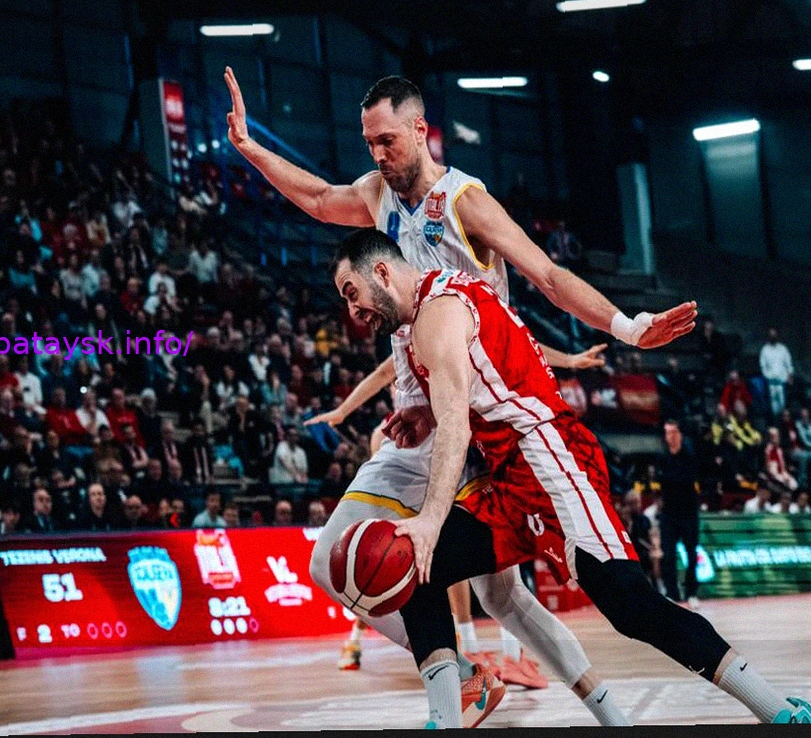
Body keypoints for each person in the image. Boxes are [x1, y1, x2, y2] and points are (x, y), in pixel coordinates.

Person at [227, 70, 695, 712]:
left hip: (480, 420)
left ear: (420, 131)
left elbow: (548, 276)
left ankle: (527, 698)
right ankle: (486, 683)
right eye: (368, 143)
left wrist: (628, 327)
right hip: (421, 419)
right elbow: (316, 197)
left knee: (494, 593)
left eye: (387, 140)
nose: (376, 154)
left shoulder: (465, 201)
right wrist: (250, 148)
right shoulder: (375, 195)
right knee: (358, 568)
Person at [329, 230, 811, 728]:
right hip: (508, 478)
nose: (352, 311)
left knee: (631, 606)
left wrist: (430, 519)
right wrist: (425, 418)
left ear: (382, 272)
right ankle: (445, 719)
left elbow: (458, 421)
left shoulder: (437, 312)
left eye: (352, 293)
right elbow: (482, 389)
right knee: (418, 568)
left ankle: (779, 711)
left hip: (550, 459)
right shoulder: (432, 312)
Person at [656, 419, 701, 606]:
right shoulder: (662, 457)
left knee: (691, 553)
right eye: (667, 432)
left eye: (673, 432)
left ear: (680, 434)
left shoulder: (689, 456)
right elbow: (660, 482)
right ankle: (672, 594)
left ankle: (692, 593)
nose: (670, 436)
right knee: (668, 554)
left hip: (688, 512)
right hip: (669, 513)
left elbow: (688, 480)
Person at [758, 328, 794, 418]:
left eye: (774, 335)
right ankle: (775, 420)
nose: (773, 337)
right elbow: (763, 366)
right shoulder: (765, 350)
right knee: (773, 406)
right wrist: (767, 377)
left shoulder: (783, 349)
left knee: (783, 404)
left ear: (777, 336)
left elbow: (789, 363)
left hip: (782, 382)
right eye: (771, 335)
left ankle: (783, 420)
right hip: (771, 382)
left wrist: (790, 375)